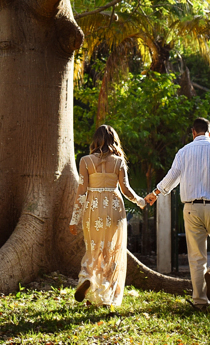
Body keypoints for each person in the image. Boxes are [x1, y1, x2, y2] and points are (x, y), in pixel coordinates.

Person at [145, 118, 210, 310]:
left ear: (193, 132)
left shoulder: (184, 152)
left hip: (191, 208)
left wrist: (155, 194)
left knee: (196, 257)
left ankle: (199, 301)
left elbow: (171, 177)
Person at [69, 125, 146, 307]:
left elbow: (81, 191)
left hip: (93, 208)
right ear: (114, 141)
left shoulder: (85, 161)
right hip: (114, 208)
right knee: (111, 252)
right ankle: (105, 297)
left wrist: (74, 219)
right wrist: (140, 201)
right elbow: (126, 189)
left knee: (93, 249)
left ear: (95, 140)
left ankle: (87, 279)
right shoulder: (119, 162)